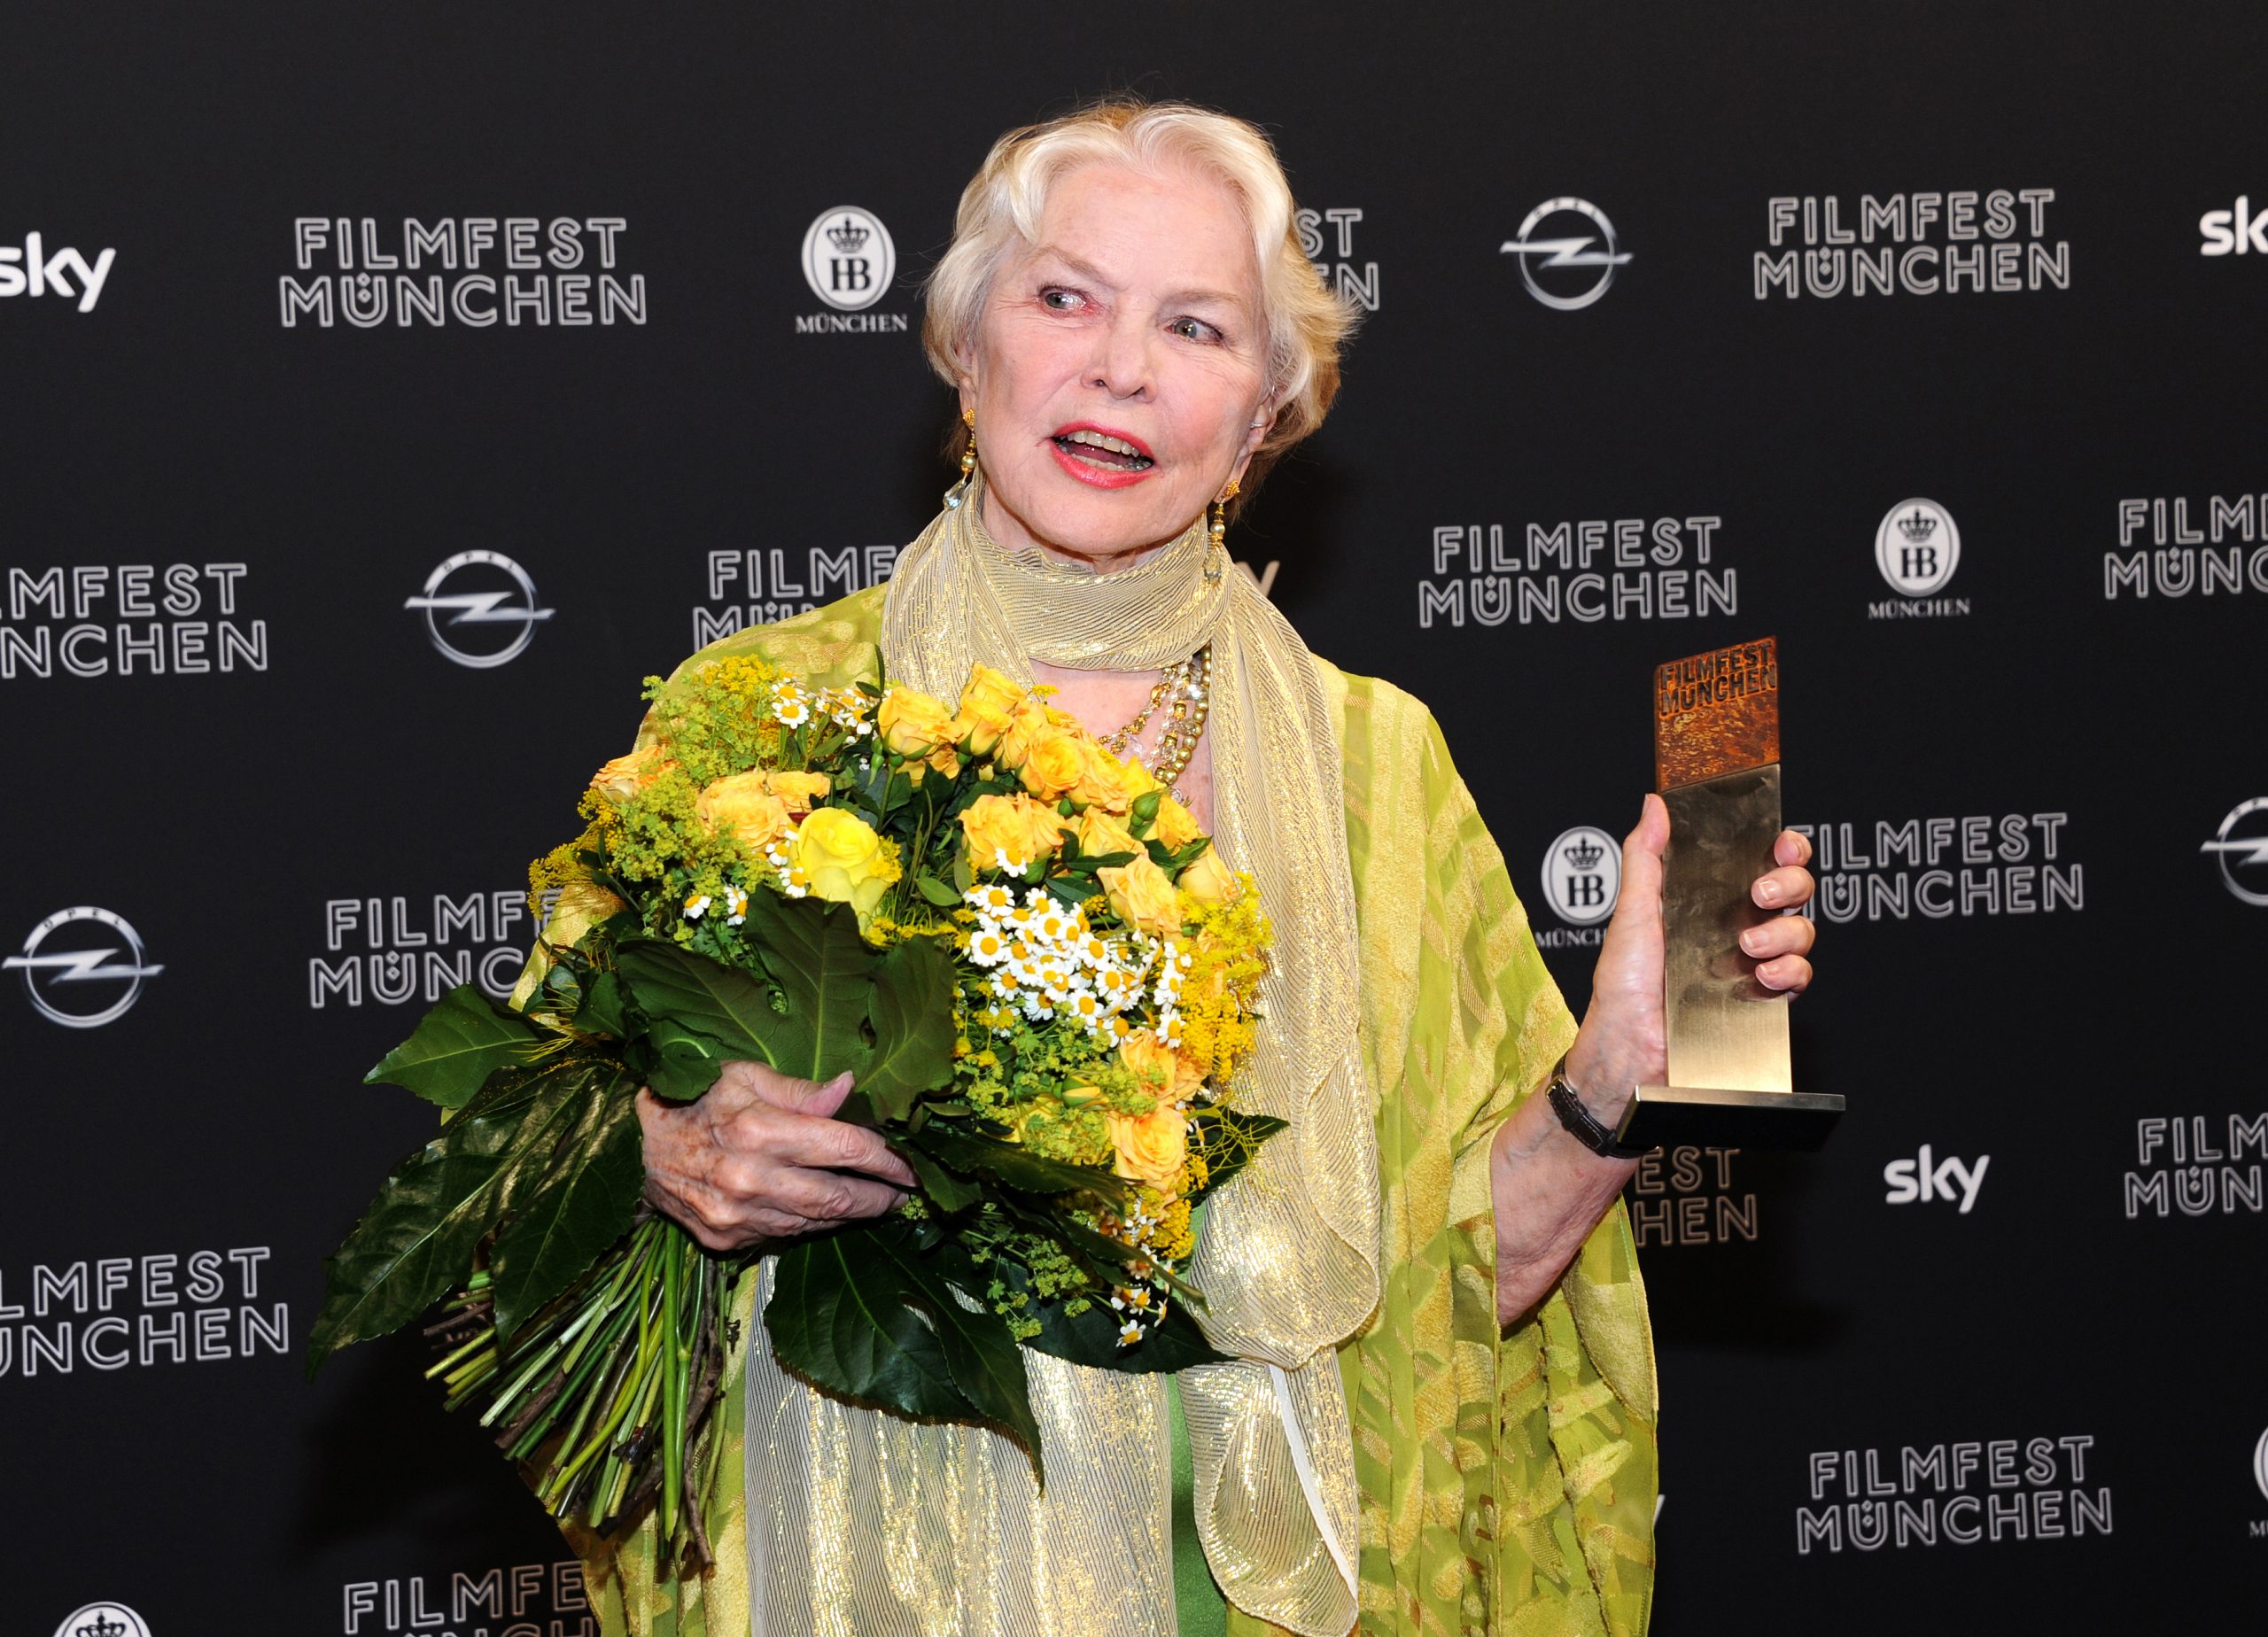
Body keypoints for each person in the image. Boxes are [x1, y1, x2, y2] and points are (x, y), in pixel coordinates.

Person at [582, 98, 1816, 1637]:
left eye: (1196, 327)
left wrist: (1626, 1066)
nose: (1121, 367)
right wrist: (659, 1146)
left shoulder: (1380, 769)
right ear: (968, 353)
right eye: (1063, 298)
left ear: (1264, 418)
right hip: (878, 1582)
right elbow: (518, 1192)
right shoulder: (751, 724)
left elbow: (1454, 1304)